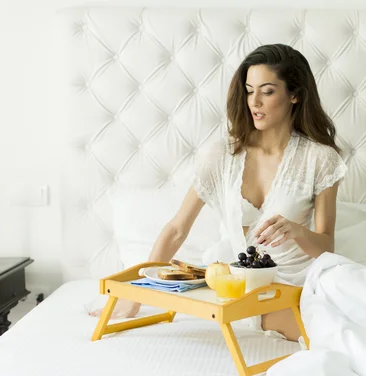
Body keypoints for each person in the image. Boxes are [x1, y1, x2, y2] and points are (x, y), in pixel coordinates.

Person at [96, 44, 347, 341]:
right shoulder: (222, 155)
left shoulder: (320, 159)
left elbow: (326, 247)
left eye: (267, 91)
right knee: (333, 337)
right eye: (249, 90)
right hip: (248, 288)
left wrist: (296, 231)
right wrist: (134, 298)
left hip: (307, 282)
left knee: (364, 323)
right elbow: (177, 229)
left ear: (295, 95)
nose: (255, 102)